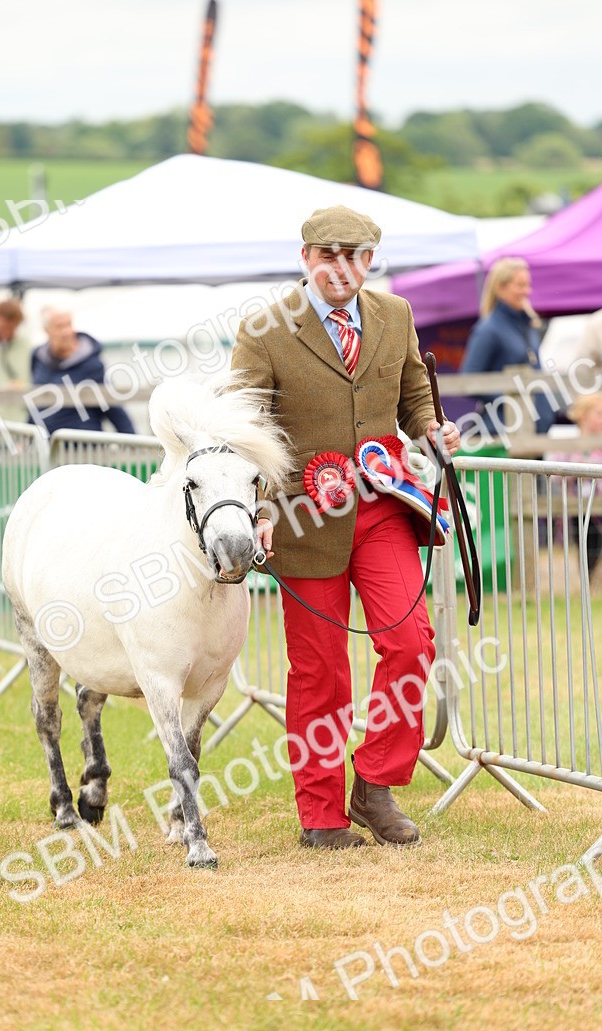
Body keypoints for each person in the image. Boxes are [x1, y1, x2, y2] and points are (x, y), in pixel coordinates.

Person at [231, 204, 460, 852]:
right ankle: (322, 814)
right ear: (306, 258)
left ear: (370, 261)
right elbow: (244, 429)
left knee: (413, 643)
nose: (343, 268)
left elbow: (414, 392)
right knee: (321, 671)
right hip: (303, 521)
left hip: (384, 505)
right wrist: (260, 509)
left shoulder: (395, 314)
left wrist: (431, 429)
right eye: (329, 255)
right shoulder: (264, 329)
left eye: (356, 256)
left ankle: (377, 784)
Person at [460, 257, 554, 434]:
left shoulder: (528, 326)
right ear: (501, 288)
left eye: (528, 284)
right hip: (503, 431)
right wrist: (512, 399)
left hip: (533, 431)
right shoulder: (488, 330)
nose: (526, 291)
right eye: (520, 285)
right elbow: (468, 379)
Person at [29, 309, 136, 435]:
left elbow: (112, 406)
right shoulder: (38, 359)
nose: (66, 332)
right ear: (46, 330)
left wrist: (133, 441)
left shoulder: (91, 365)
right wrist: (25, 438)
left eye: (68, 325)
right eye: (59, 326)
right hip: (47, 443)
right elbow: (35, 404)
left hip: (83, 444)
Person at [546, 392, 602, 576]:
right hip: (579, 506)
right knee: (586, 545)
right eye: (599, 413)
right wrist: (574, 469)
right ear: (583, 415)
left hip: (600, 502)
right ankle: (588, 583)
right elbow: (555, 473)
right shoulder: (568, 443)